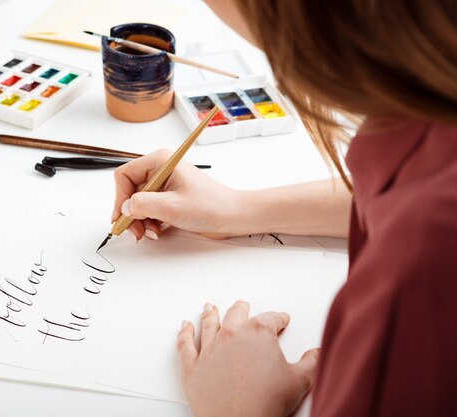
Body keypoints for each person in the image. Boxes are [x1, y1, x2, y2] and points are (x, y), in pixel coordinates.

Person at [111, 1, 457, 416]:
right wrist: (238, 209)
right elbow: (401, 191)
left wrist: (239, 408)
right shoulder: (433, 122)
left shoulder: (426, 258)